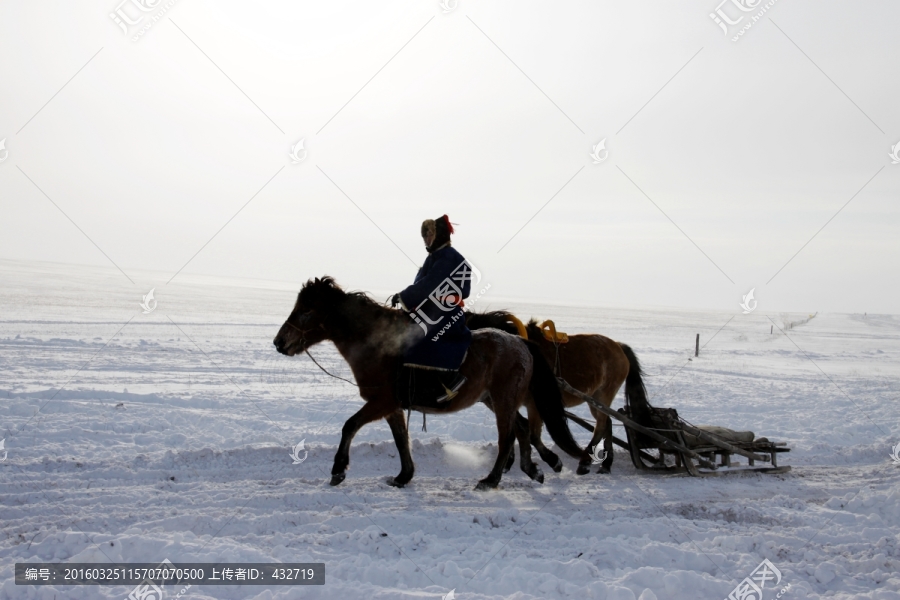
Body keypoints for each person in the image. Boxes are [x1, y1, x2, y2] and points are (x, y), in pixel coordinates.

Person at [391, 215, 473, 405]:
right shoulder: (435, 257)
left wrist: (404, 297)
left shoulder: (448, 257)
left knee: (421, 336)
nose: (427, 240)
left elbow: (430, 284)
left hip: (446, 310)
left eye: (430, 235)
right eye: (424, 236)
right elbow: (422, 284)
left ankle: (449, 381)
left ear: (440, 235)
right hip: (432, 308)